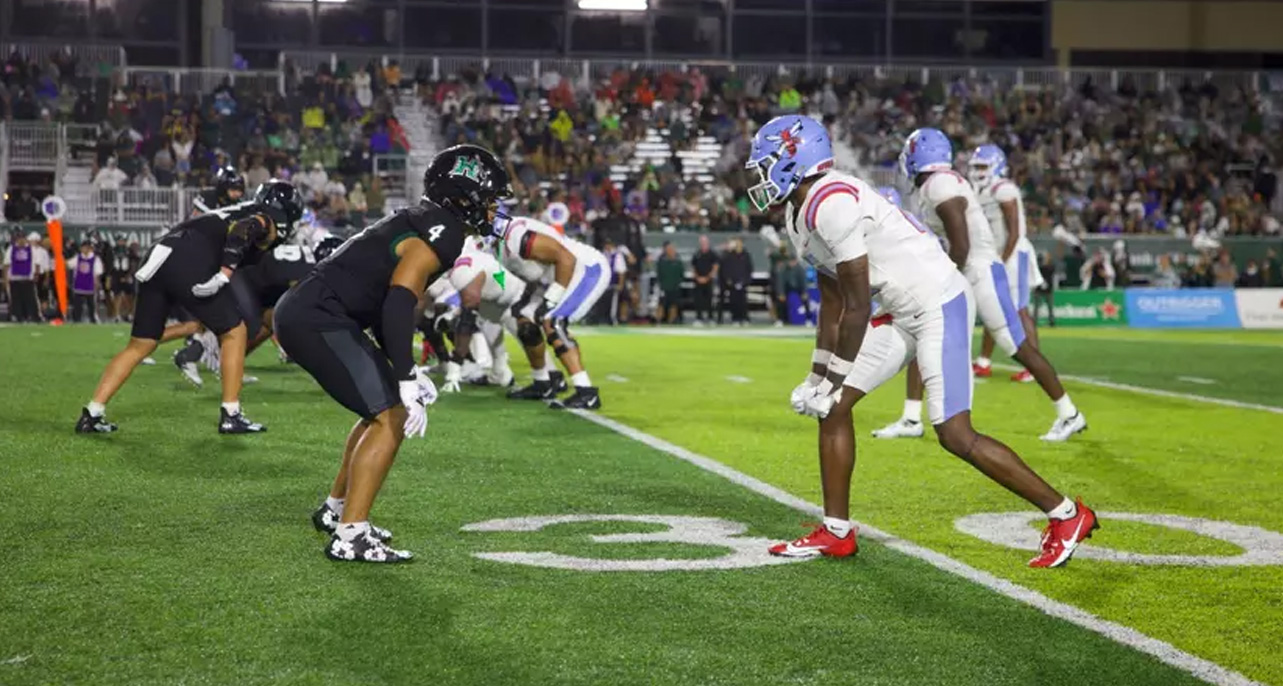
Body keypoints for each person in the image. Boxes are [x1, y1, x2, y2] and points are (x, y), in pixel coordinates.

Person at [745, 114, 1097, 568]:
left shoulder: (831, 202)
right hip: (901, 308)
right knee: (831, 408)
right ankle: (836, 531)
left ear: (797, 158)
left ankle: (1067, 514)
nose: (759, 173)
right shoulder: (799, 211)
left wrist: (832, 379)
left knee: (955, 433)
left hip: (938, 303)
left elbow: (856, 306)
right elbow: (831, 302)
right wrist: (817, 378)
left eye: (767, 162)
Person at [273, 144, 507, 563]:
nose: (493, 210)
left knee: (378, 410)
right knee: (391, 415)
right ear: (464, 197)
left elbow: (386, 302)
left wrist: (408, 370)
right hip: (318, 317)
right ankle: (351, 535)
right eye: (488, 200)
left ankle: (337, 511)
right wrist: (402, 374)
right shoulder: (444, 232)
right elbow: (400, 300)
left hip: (315, 312)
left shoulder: (426, 221)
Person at [876, 128, 1085, 442]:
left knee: (1017, 346)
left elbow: (961, 244)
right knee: (924, 331)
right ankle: (910, 418)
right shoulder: (938, 184)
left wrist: (943, 276)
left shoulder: (940, 184)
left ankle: (1069, 413)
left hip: (980, 270)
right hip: (972, 269)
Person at [75, 180, 304, 435]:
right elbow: (243, 229)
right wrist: (225, 273)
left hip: (158, 255)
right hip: (187, 258)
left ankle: (92, 413)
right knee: (234, 331)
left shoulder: (239, 208)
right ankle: (231, 414)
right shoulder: (265, 218)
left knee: (142, 343)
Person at [498, 212, 611, 410]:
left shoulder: (514, 233)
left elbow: (564, 258)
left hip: (584, 269)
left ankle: (586, 392)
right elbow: (534, 270)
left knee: (552, 320)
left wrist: (551, 299)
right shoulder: (494, 246)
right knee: (524, 317)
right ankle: (543, 382)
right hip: (556, 276)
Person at [968, 145, 1048, 384]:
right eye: (977, 167)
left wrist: (1002, 260)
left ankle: (1035, 366)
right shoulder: (979, 191)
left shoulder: (1003, 189)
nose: (979, 171)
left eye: (983, 166)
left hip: (1014, 256)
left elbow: (1014, 231)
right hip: (997, 255)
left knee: (1019, 310)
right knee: (993, 304)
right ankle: (983, 361)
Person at [3, 232, 44, 322]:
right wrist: (6, 279)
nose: (21, 241)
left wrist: (36, 274)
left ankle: (32, 317)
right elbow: (6, 265)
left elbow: (37, 263)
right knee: (16, 300)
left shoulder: (31, 249)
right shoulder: (11, 249)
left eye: (22, 238)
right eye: (19, 239)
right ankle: (17, 317)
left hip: (27, 279)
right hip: (15, 280)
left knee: (30, 300)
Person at [68, 240, 103, 323]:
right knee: (77, 305)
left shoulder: (95, 259)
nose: (86, 249)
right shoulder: (78, 257)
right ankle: (76, 320)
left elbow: (97, 273)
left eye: (88, 247)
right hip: (79, 285)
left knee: (92, 305)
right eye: (84, 247)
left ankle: (93, 319)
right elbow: (68, 264)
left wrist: (96, 284)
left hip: (90, 286)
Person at [720, 238, 753, 325]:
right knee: (734, 301)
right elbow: (725, 269)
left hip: (743, 283)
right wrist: (729, 280)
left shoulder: (746, 255)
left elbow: (749, 269)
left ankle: (744, 318)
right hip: (733, 283)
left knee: (743, 302)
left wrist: (745, 281)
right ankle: (735, 318)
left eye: (739, 244)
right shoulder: (729, 256)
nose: (738, 246)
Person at [691, 234, 718, 325]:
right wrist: (698, 277)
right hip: (698, 281)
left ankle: (711, 318)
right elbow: (693, 267)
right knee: (698, 300)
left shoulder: (712, 254)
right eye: (702, 242)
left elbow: (715, 267)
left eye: (705, 242)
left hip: (708, 281)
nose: (703, 244)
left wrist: (707, 278)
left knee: (709, 300)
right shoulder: (697, 254)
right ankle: (699, 318)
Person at [656, 241, 685, 323]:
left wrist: (677, 283)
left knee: (673, 305)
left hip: (675, 287)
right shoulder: (661, 261)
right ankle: (658, 321)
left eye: (672, 249)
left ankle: (671, 321)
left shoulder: (678, 261)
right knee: (661, 304)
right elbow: (659, 274)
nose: (671, 250)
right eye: (669, 249)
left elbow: (681, 274)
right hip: (664, 287)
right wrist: (661, 284)